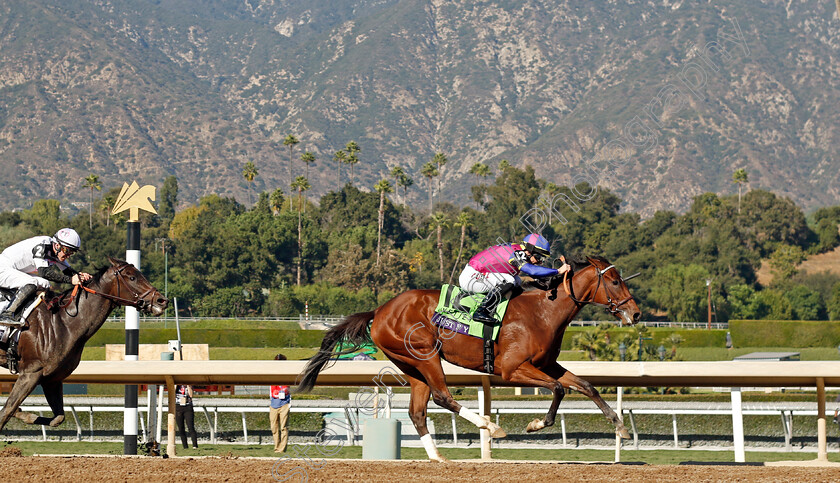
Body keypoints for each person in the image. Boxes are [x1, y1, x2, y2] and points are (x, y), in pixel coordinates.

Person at [459, 233, 570, 324]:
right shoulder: (516, 254)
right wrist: (558, 271)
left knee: (516, 280)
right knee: (509, 280)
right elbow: (532, 271)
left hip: (479, 273)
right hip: (471, 278)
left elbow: (534, 274)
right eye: (538, 257)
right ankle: (481, 311)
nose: (539, 261)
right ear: (529, 250)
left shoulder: (518, 249)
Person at [0, 228, 92, 327]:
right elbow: (44, 272)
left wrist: (81, 276)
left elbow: (68, 271)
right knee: (32, 282)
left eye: (72, 252)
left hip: (13, 270)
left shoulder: (57, 251)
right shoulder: (42, 246)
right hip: (3, 267)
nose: (68, 255)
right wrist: (71, 280)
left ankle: (22, 311)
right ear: (57, 245)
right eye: (67, 250)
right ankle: (6, 314)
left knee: (45, 284)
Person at [270, 353, 291, 453]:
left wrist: (285, 390)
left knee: (283, 427)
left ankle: (281, 449)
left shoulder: (287, 374)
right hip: (273, 404)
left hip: (284, 404)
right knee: (274, 427)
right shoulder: (272, 374)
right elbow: (272, 390)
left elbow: (288, 387)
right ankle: (276, 447)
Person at [175, 384, 198, 449]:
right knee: (181, 428)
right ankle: (185, 446)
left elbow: (191, 395)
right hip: (178, 406)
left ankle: (194, 445)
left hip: (188, 406)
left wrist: (188, 386)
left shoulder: (189, 385)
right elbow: (172, 392)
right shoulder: (177, 386)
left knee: (190, 426)